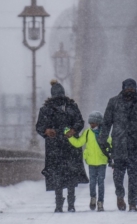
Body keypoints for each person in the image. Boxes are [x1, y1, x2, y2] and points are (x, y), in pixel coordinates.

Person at [98, 78, 137, 212]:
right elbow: (106, 123)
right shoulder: (113, 102)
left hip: (135, 144)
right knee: (118, 174)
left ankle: (133, 203)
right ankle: (120, 195)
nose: (130, 90)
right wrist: (103, 140)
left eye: (132, 87)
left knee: (134, 175)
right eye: (128, 87)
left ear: (136, 89)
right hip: (118, 143)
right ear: (123, 88)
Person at [36, 80, 89, 213]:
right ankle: (61, 203)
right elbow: (39, 127)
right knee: (61, 175)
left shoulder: (71, 107)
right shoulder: (47, 109)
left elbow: (80, 122)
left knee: (65, 174)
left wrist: (73, 130)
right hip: (58, 147)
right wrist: (46, 131)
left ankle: (68, 203)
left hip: (67, 146)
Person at [65, 111, 112, 212]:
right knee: (93, 183)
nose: (91, 124)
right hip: (91, 162)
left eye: (93, 122)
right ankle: (93, 198)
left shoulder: (104, 133)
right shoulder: (87, 132)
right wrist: (69, 137)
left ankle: (100, 202)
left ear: (98, 122)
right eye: (90, 122)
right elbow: (78, 143)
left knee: (100, 183)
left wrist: (110, 154)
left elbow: (110, 145)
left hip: (102, 161)